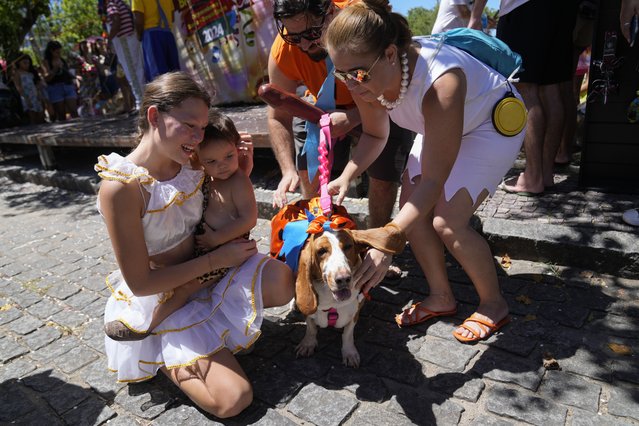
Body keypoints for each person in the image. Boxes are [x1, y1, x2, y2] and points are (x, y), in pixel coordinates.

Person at [324, 0, 526, 342]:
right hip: (440, 126)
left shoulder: (440, 81)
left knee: (447, 220)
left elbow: (434, 180)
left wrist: (387, 239)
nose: (351, 85)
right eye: (340, 74)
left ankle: (494, 304)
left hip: (490, 125)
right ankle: (441, 296)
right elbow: (375, 133)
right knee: (414, 213)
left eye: (356, 75)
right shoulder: (363, 72)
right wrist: (346, 174)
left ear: (390, 54)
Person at [95, 72, 293, 417]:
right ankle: (161, 345)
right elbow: (142, 283)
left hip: (209, 269)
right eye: (189, 125)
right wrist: (216, 260)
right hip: (165, 292)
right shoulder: (122, 187)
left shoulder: (192, 161)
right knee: (234, 400)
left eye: (202, 128)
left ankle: (210, 338)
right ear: (155, 117)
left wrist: (238, 173)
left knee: (283, 281)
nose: (198, 138)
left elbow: (219, 193)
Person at [268, 0, 414, 278]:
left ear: (331, 13)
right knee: (309, 179)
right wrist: (287, 169)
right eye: (293, 36)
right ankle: (321, 248)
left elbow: (393, 85)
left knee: (383, 176)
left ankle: (373, 247)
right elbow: (278, 115)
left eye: (311, 34)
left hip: (380, 103)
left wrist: (353, 117)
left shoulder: (361, 21)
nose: (304, 45)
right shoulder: (282, 50)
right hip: (321, 108)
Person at [104, 109, 259, 340]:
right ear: (199, 159)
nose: (223, 166)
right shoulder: (203, 176)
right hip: (207, 249)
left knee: (186, 288)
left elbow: (249, 218)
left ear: (237, 149)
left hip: (228, 248)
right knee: (185, 286)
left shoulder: (239, 180)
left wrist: (216, 239)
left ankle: (148, 325)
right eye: (212, 161)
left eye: (229, 157)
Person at [472, 0, 577, 196]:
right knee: (551, 89)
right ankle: (545, 174)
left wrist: (475, 16)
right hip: (564, 9)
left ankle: (532, 177)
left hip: (524, 8)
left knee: (526, 90)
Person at [106, 0, 145, 110]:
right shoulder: (122, 3)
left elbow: (116, 21)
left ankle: (140, 102)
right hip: (131, 38)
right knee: (138, 69)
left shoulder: (112, 4)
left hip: (124, 41)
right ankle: (143, 100)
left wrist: (109, 40)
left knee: (132, 72)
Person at [132, 0, 180, 82]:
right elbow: (172, 17)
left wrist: (139, 35)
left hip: (152, 37)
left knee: (160, 79)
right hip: (168, 34)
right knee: (176, 76)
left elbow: (139, 20)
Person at [42, 40, 79, 121]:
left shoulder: (62, 60)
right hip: (55, 88)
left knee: (73, 110)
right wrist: (55, 69)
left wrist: (74, 78)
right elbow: (46, 78)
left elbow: (67, 72)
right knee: (61, 114)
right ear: (51, 51)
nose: (59, 54)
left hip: (67, 85)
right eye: (57, 51)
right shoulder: (46, 62)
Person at [11, 53, 45, 125]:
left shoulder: (31, 73)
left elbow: (36, 84)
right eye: (24, 63)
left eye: (28, 63)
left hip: (35, 95)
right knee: (32, 115)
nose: (27, 65)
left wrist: (38, 93)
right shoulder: (17, 73)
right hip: (26, 96)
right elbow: (18, 86)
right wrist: (25, 98)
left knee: (40, 115)